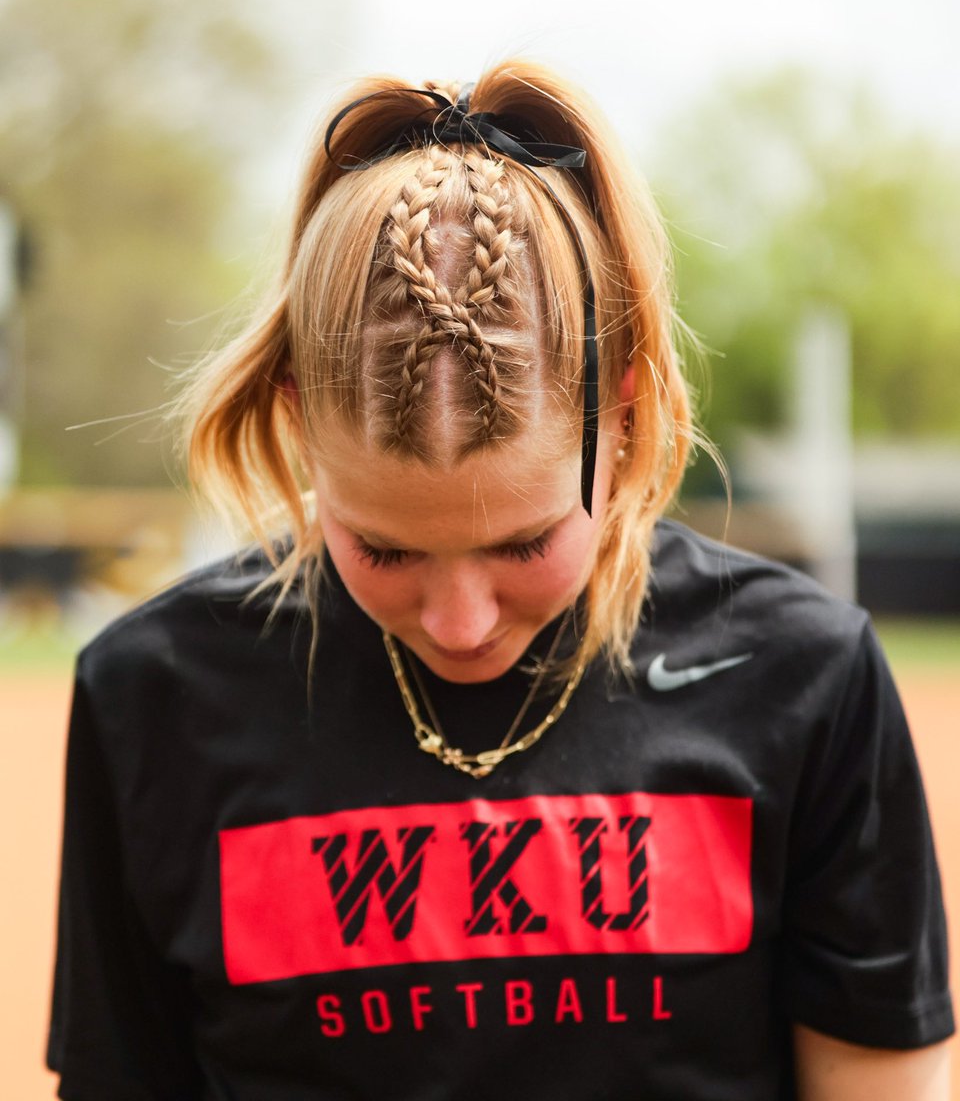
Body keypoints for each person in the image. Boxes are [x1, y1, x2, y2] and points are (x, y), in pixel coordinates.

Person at [48, 61, 953, 1100]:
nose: (461, 620)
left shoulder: (808, 678)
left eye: (524, 544)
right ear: (297, 421)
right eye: (383, 548)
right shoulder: (152, 696)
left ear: (622, 416)